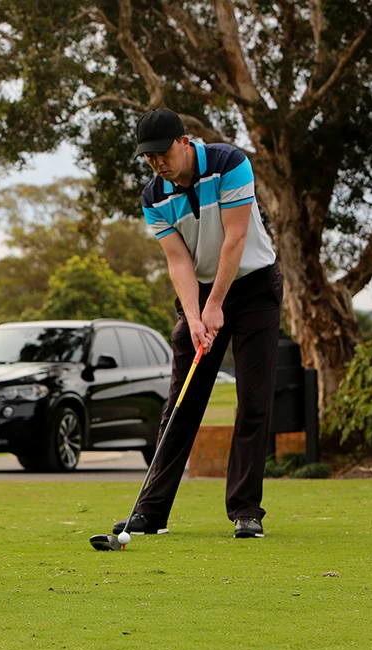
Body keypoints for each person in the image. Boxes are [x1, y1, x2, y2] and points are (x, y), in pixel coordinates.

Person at [114, 108, 283, 539]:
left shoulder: (229, 163)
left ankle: (246, 511)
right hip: (200, 294)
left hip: (254, 288)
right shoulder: (154, 196)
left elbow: (235, 239)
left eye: (162, 153)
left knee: (254, 400)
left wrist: (216, 305)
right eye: (148, 158)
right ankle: (151, 512)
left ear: (184, 141)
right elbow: (178, 262)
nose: (157, 163)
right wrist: (194, 316)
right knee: (181, 402)